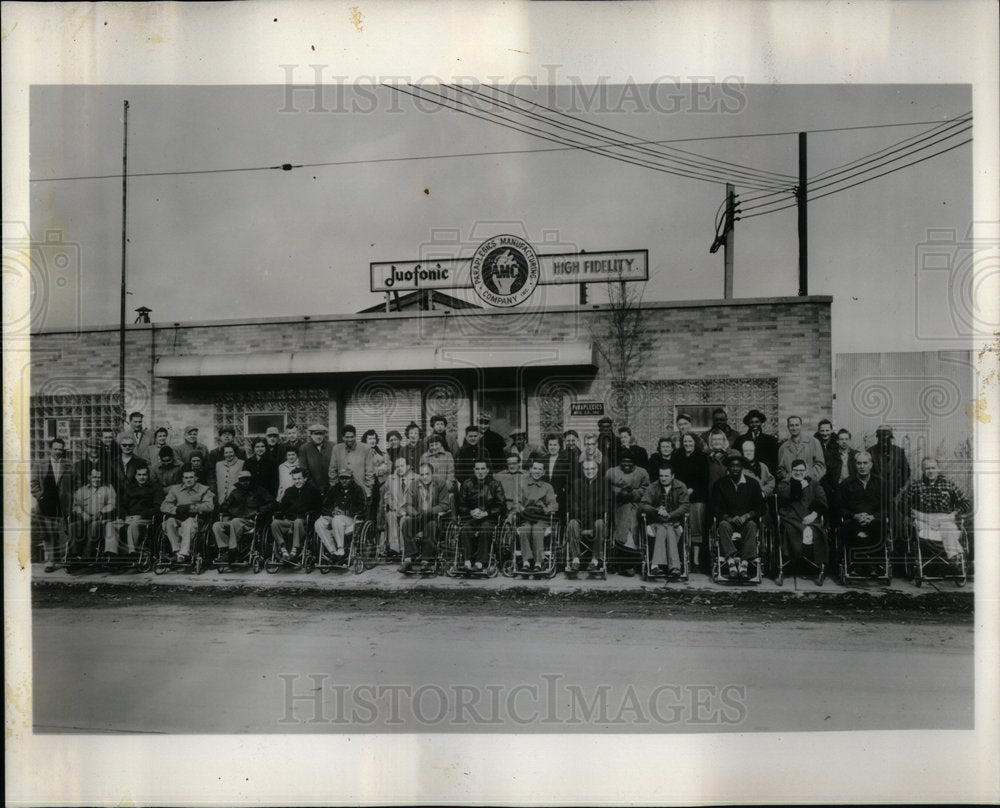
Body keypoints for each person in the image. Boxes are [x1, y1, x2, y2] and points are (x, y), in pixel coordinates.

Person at [898, 458, 971, 569]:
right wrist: (915, 514)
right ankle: (957, 557)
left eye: (933, 468)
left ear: (938, 469)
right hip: (923, 520)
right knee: (946, 531)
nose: (931, 471)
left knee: (948, 529)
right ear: (922, 470)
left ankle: (954, 558)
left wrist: (954, 513)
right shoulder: (915, 486)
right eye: (927, 468)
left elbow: (965, 502)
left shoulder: (948, 485)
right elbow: (901, 504)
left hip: (945, 519)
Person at [710, 453, 766, 580]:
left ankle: (744, 564)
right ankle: (731, 562)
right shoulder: (720, 484)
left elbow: (761, 507)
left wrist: (747, 516)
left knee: (752, 526)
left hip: (746, 521)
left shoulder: (753, 484)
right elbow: (714, 507)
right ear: (728, 468)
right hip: (728, 521)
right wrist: (728, 518)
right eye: (732, 466)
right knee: (723, 525)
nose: (735, 469)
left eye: (738, 466)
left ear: (742, 468)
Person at [212, 470, 274, 565]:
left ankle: (233, 551)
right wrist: (228, 508)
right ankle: (225, 551)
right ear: (239, 481)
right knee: (217, 525)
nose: (245, 482)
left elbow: (271, 503)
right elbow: (226, 505)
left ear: (251, 480)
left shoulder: (259, 490)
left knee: (236, 521)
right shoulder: (235, 492)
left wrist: (259, 509)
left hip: (251, 521)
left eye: (247, 480)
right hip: (235, 521)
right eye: (242, 480)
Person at [777, 458, 829, 571]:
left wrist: (813, 515)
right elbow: (784, 496)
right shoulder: (785, 483)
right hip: (791, 519)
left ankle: (816, 565)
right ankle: (796, 560)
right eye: (795, 470)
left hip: (811, 518)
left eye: (801, 470)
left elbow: (822, 500)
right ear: (791, 471)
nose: (798, 472)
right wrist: (800, 485)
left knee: (816, 531)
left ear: (806, 471)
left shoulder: (813, 483)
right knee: (794, 531)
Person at [639, 464, 690, 578]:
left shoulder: (681, 486)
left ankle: (656, 565)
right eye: (661, 476)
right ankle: (675, 567)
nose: (663, 478)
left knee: (668, 530)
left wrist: (670, 515)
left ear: (672, 476)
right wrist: (656, 510)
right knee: (663, 529)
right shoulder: (653, 487)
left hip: (674, 523)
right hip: (656, 523)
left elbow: (685, 506)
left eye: (666, 476)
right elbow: (643, 505)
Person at [31, 437, 74, 572]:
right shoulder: (40, 464)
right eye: (55, 449)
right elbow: (33, 483)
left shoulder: (68, 464)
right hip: (46, 503)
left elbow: (74, 483)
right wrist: (40, 496)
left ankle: (63, 558)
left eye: (60, 449)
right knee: (48, 533)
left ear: (63, 450)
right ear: (51, 449)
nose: (58, 452)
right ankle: (50, 561)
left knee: (62, 531)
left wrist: (70, 498)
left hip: (62, 504)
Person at [399, 462, 450, 573]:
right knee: (406, 523)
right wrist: (415, 513)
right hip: (418, 516)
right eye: (422, 474)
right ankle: (409, 558)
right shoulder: (414, 485)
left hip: (433, 517)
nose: (424, 477)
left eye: (427, 474)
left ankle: (425, 561)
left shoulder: (440, 484)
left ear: (432, 474)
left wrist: (430, 511)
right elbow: (408, 504)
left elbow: (445, 504)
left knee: (431, 526)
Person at [838, 451, 885, 570]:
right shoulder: (846, 484)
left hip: (874, 521)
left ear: (871, 464)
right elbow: (839, 507)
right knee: (846, 528)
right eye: (859, 463)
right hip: (853, 522)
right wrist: (855, 516)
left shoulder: (881, 483)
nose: (862, 466)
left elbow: (888, 507)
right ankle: (856, 565)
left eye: (865, 463)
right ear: (855, 465)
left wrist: (873, 517)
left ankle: (874, 564)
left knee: (882, 527)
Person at [104, 465, 162, 560]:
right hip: (128, 518)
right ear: (135, 476)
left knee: (133, 526)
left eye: (144, 475)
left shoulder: (155, 488)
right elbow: (121, 505)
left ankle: (132, 553)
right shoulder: (130, 488)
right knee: (110, 525)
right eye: (139, 475)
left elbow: (157, 507)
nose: (142, 477)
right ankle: (111, 554)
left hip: (145, 519)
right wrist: (125, 516)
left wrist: (141, 516)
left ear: (148, 475)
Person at [606, 450, 650, 576]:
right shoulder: (611, 472)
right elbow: (605, 486)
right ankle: (626, 564)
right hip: (617, 505)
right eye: (624, 461)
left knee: (631, 521)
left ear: (634, 463)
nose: (626, 464)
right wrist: (619, 492)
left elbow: (646, 488)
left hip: (636, 505)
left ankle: (628, 564)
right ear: (620, 462)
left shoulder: (642, 472)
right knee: (624, 519)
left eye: (629, 462)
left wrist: (633, 494)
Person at [457, 459, 505, 572]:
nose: (480, 471)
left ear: (487, 470)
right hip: (472, 518)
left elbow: (501, 506)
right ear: (474, 470)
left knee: (485, 528)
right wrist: (471, 512)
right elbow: (461, 506)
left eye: (483, 469)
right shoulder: (467, 484)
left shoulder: (495, 484)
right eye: (477, 469)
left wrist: (486, 513)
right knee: (465, 529)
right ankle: (467, 561)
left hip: (489, 518)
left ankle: (480, 562)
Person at [160, 467, 216, 563]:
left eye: (191, 477)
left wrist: (191, 508)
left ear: (196, 478)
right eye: (186, 478)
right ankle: (176, 551)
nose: (188, 480)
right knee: (169, 522)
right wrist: (176, 509)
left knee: (188, 522)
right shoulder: (175, 489)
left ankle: (182, 554)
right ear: (182, 479)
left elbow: (209, 506)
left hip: (196, 519)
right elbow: (164, 506)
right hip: (179, 517)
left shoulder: (204, 489)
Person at [671, 432, 710, 566]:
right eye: (685, 442)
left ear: (695, 442)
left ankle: (695, 558)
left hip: (697, 495)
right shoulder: (677, 456)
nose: (688, 444)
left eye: (690, 441)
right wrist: (682, 491)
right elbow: (674, 476)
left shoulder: (702, 457)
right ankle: (680, 556)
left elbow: (704, 478)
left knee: (696, 519)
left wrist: (692, 490)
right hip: (680, 495)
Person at [867, 425, 911, 542]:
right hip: (875, 494)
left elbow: (906, 471)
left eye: (887, 437)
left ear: (891, 437)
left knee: (895, 522)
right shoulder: (870, 452)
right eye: (882, 437)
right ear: (877, 437)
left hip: (894, 493)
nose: (885, 441)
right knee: (877, 523)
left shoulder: (899, 451)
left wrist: (899, 486)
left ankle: (896, 551)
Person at [565, 458, 609, 572]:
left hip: (596, 519)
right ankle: (575, 559)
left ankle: (595, 559)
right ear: (583, 470)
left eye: (592, 468)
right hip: (580, 518)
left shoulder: (604, 483)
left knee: (600, 523)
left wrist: (591, 511)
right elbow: (571, 504)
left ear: (597, 469)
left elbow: (607, 504)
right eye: (586, 468)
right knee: (572, 523)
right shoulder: (576, 483)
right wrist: (581, 512)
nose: (590, 471)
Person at [315, 468, 367, 563]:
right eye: (342, 478)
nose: (344, 480)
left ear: (351, 478)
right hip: (335, 517)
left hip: (352, 519)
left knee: (338, 519)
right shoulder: (334, 489)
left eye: (346, 478)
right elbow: (325, 505)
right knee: (319, 523)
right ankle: (333, 552)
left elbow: (362, 507)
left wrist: (346, 512)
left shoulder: (358, 489)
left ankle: (341, 549)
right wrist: (332, 511)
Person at [516, 458, 559, 571]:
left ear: (543, 472)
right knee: (524, 529)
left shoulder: (547, 487)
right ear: (530, 469)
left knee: (537, 529)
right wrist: (523, 510)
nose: (537, 471)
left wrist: (544, 510)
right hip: (526, 516)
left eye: (540, 469)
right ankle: (526, 561)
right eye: (535, 468)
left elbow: (554, 505)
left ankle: (538, 562)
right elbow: (517, 502)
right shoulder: (523, 485)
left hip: (541, 518)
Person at [270, 467, 322, 561]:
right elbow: (282, 507)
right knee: (275, 523)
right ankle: (283, 547)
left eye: (299, 478)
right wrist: (279, 513)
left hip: (304, 522)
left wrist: (308, 515)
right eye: (294, 479)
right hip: (289, 521)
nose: (297, 481)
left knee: (298, 522)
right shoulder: (289, 491)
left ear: (305, 478)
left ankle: (295, 548)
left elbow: (318, 509)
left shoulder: (313, 491)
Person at [68, 468, 117, 559]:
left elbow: (112, 504)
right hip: (85, 519)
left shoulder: (108, 488)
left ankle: (87, 556)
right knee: (73, 526)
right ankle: (74, 556)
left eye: (99, 477)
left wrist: (100, 513)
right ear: (89, 477)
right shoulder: (82, 490)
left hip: (101, 520)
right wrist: (83, 513)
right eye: (94, 477)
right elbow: (75, 506)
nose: (97, 479)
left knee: (94, 525)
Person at [382, 456, 416, 560]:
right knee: (391, 516)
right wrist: (391, 504)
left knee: (404, 520)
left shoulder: (416, 478)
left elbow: (417, 499)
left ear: (408, 466)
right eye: (397, 466)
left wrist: (406, 510)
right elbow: (387, 495)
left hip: (409, 511)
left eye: (402, 466)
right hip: (395, 509)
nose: (399, 468)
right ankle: (394, 548)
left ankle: (403, 548)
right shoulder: (390, 479)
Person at [329, 424, 375, 498]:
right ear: (343, 437)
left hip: (361, 491)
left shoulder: (366, 449)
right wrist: (335, 487)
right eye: (347, 437)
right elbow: (332, 470)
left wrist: (368, 489)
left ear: (355, 436)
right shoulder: (337, 449)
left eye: (352, 437)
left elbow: (369, 471)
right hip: (342, 492)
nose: (350, 439)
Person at [777, 415, 826, 483]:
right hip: (791, 487)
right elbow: (780, 469)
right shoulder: (783, 448)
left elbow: (820, 466)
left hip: (810, 484)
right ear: (788, 427)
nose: (794, 428)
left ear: (801, 426)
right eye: (791, 425)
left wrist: (807, 477)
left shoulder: (813, 442)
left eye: (797, 425)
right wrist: (789, 478)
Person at [733, 409, 779, 474]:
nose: (754, 424)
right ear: (748, 424)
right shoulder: (740, 440)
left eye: (757, 422)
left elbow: (775, 461)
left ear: (761, 422)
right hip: (746, 474)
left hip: (765, 474)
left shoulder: (771, 440)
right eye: (751, 422)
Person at [298, 424, 333, 493]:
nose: (319, 436)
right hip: (312, 489)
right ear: (311, 435)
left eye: (321, 434)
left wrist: (332, 484)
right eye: (316, 434)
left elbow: (335, 466)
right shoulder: (304, 448)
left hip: (331, 488)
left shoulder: (332, 446)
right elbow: (304, 470)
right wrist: (313, 487)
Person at [540, 434, 572, 508]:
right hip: (544, 495)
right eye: (550, 444)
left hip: (561, 496)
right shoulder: (543, 459)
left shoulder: (566, 460)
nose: (552, 447)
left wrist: (561, 492)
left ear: (559, 446)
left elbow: (569, 480)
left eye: (555, 445)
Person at [494, 452, 526, 520]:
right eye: (509, 464)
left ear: (519, 464)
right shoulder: (499, 476)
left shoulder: (527, 475)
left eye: (514, 464)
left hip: (522, 508)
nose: (511, 466)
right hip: (506, 508)